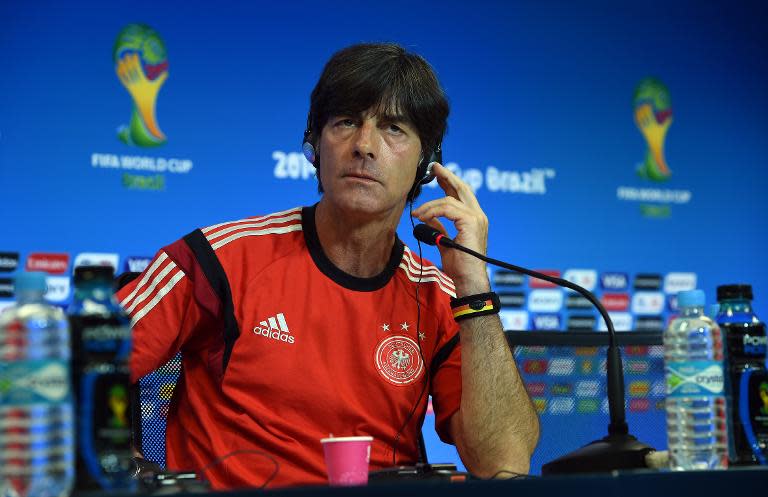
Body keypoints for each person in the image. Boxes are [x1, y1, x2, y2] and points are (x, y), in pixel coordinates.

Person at [116, 43, 539, 489]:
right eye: (346, 122)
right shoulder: (218, 260)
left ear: (425, 166)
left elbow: (502, 465)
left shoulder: (439, 297)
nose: (364, 146)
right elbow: (66, 376)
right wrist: (128, 470)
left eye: (393, 128)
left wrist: (474, 288)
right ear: (315, 146)